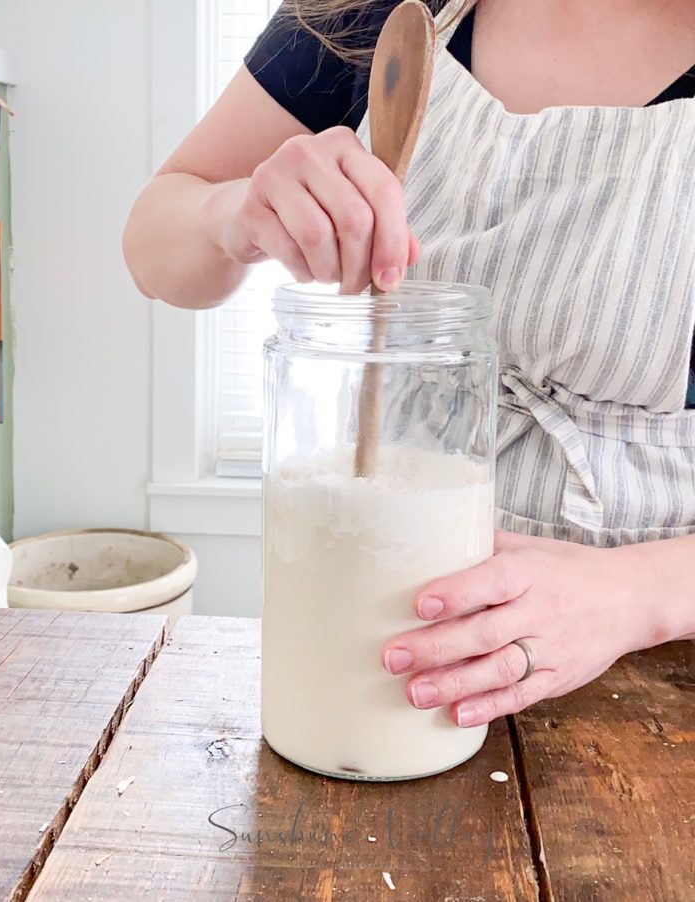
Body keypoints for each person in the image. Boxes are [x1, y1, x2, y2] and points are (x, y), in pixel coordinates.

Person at [123, 0, 695, 730]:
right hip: (382, 662)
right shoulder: (363, 12)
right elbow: (152, 239)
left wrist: (638, 597)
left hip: (656, 704)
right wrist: (234, 214)